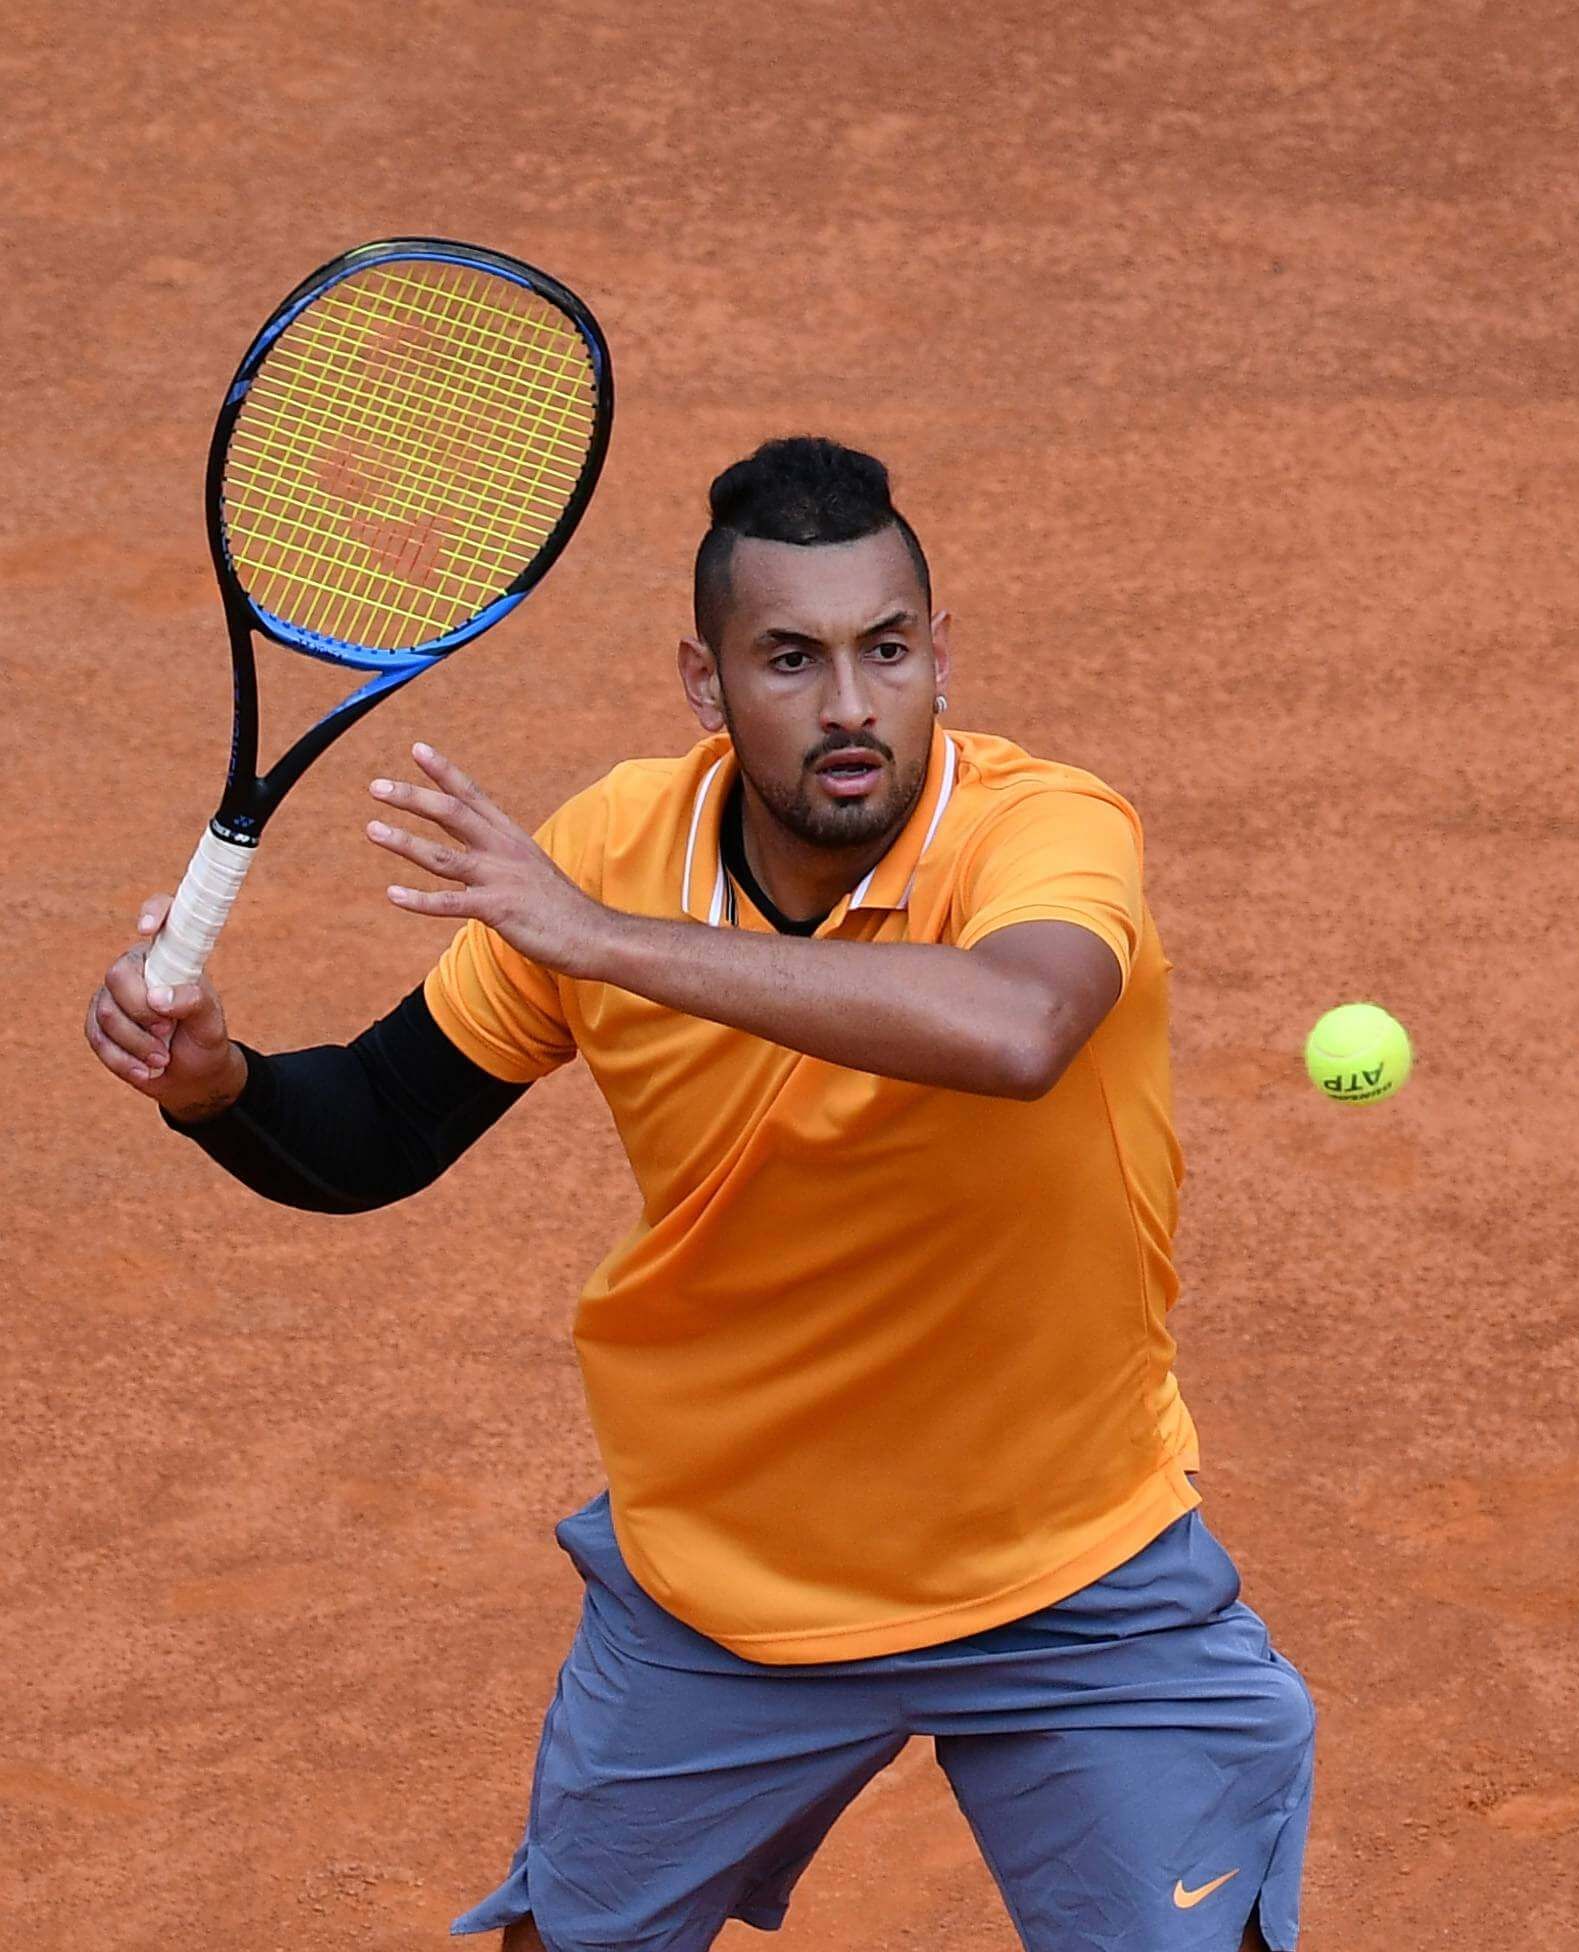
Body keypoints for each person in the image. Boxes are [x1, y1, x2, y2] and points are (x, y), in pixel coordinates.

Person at [82, 437, 1314, 1952]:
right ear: (703, 681)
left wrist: (604, 941)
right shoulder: (616, 847)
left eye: (888, 650)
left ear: (942, 655)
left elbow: (1021, 1028)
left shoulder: (1042, 828)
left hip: (1070, 1567)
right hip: (728, 1583)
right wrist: (218, 1087)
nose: (851, 705)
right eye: (791, 660)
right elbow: (379, 1129)